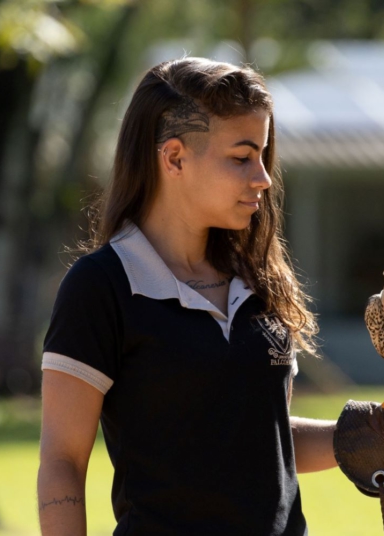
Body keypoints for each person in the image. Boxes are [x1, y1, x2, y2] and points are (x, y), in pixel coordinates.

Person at [37, 57, 337, 536]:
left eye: (262, 155)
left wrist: (377, 437)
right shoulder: (102, 286)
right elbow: (62, 461)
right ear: (174, 157)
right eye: (242, 157)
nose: (262, 177)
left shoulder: (258, 281)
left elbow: (266, 439)